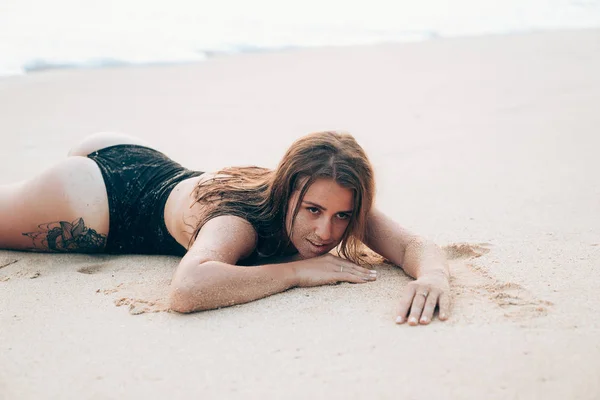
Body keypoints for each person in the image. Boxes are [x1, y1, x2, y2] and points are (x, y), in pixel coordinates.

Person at [0, 131, 450, 325]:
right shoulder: (241, 222)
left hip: (142, 158)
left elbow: (412, 245)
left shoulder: (332, 195)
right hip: (95, 201)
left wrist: (431, 275)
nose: (326, 232)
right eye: (312, 211)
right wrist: (296, 272)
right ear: (288, 189)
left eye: (342, 217)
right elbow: (188, 290)